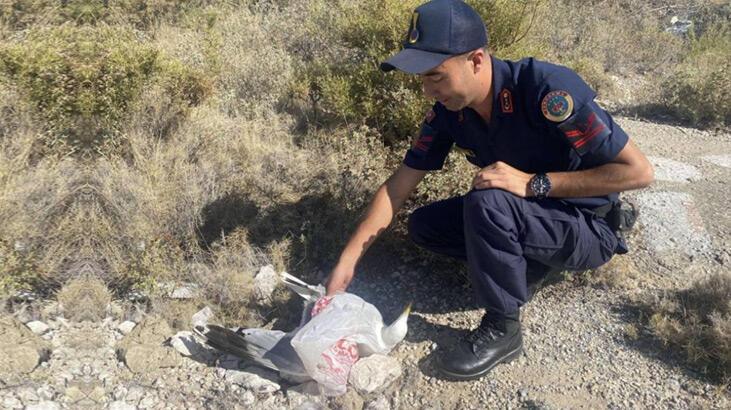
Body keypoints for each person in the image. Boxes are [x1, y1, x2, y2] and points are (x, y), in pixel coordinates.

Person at [323, 0, 653, 380]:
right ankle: (521, 268)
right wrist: (347, 262)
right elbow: (399, 186)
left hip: (588, 226)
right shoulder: (450, 112)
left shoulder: (546, 90)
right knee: (425, 226)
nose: (429, 90)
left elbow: (638, 172)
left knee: (488, 201)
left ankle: (503, 328)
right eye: (423, 79)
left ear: (476, 60)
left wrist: (536, 184)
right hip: (530, 219)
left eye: (436, 76)